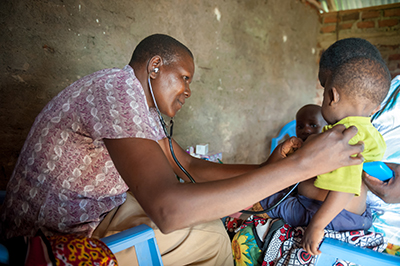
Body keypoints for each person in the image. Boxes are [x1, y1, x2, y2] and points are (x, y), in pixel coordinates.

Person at [0, 34, 364, 266]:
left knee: (209, 215)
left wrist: (266, 166)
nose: (188, 91)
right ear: (155, 66)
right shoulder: (118, 92)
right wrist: (298, 167)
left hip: (92, 210)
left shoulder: (137, 108)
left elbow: (187, 164)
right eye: (184, 78)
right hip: (52, 233)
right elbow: (168, 209)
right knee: (208, 235)